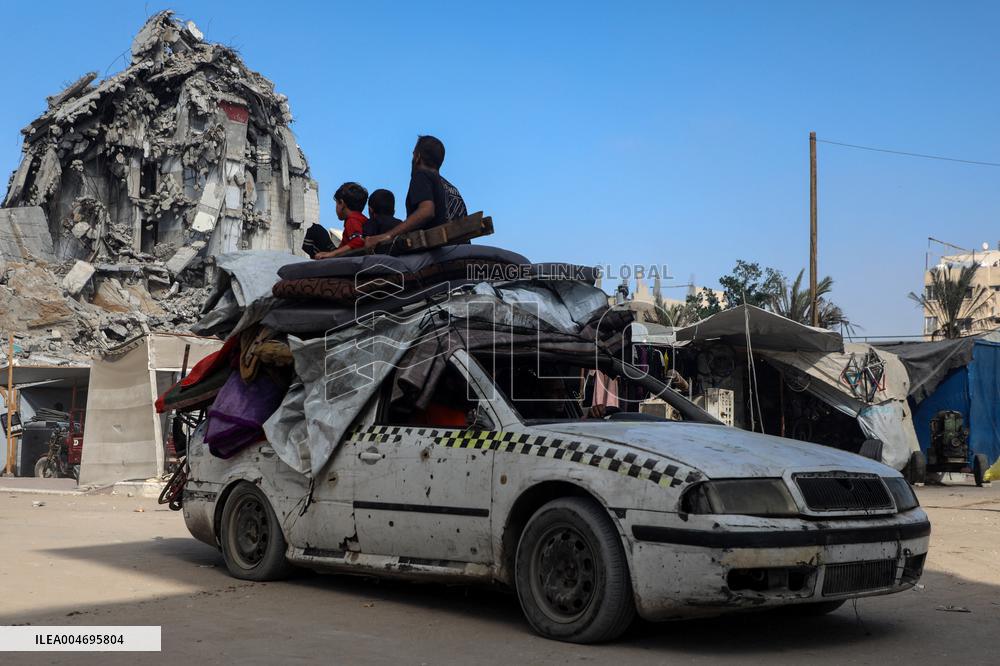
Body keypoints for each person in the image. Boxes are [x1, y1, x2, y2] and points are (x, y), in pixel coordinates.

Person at [365, 136, 467, 248]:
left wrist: (387, 236)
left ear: (417, 157)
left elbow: (427, 211)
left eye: (413, 154)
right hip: (460, 250)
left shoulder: (421, 175)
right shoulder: (451, 188)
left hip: (437, 253)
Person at [314, 182, 368, 259]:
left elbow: (358, 242)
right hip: (344, 255)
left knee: (314, 231)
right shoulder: (361, 219)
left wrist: (331, 254)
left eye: (336, 204)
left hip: (346, 262)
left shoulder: (352, 220)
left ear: (342, 204)